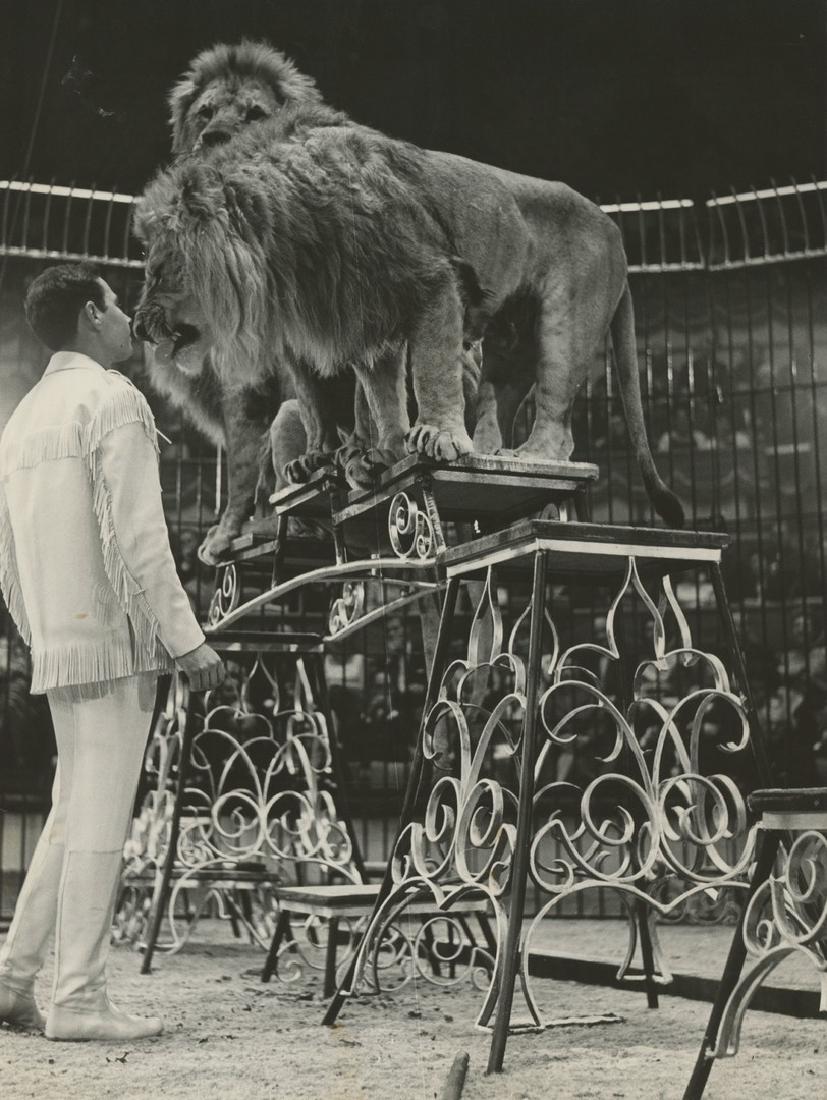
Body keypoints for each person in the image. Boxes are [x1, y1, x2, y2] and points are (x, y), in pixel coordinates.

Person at [0, 263, 225, 1041]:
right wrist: (187, 639)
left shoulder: (22, 418)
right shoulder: (113, 400)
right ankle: (82, 1000)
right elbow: (141, 539)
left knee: (71, 813)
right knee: (99, 817)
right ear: (93, 315)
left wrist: (41, 638)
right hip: (117, 645)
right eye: (119, 305)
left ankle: (13, 977)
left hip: (62, 643)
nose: (130, 317)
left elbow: (5, 557)